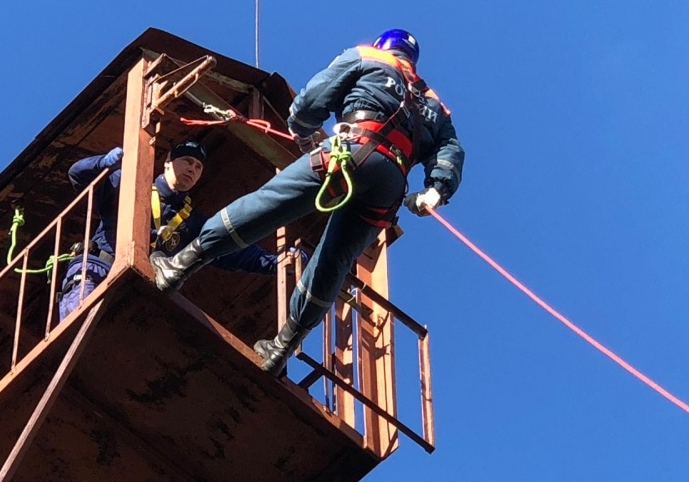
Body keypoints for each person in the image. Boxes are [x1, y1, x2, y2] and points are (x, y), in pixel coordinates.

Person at [150, 29, 465, 376]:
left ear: (383, 46)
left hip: (351, 151)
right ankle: (281, 348)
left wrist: (301, 131)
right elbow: (450, 151)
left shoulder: (367, 57)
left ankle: (179, 266)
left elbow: (313, 99)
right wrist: (436, 191)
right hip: (389, 184)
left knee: (270, 204)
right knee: (334, 261)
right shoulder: (433, 104)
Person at [57, 140, 279, 321]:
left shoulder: (191, 221)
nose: (192, 168)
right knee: (76, 326)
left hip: (139, 286)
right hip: (98, 268)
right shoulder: (130, 184)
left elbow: (230, 250)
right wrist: (102, 163)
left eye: (198, 167)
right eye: (187, 161)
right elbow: (77, 175)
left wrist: (276, 263)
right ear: (168, 162)